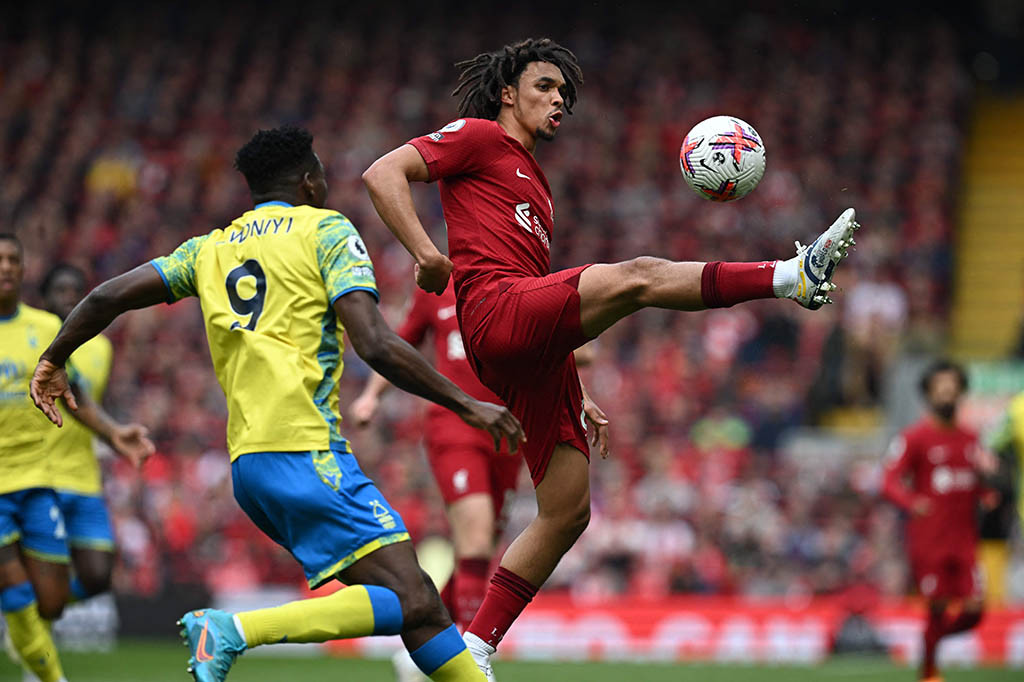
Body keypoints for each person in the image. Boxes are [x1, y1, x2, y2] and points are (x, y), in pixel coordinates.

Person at [361, 37, 859, 678]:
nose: (558, 98)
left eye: (565, 92)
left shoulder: (535, 183)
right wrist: (426, 253)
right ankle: (791, 276)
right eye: (545, 86)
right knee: (639, 277)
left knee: (568, 510)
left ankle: (476, 647)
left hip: (525, 342)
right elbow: (382, 173)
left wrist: (576, 386)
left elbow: (549, 305)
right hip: (494, 310)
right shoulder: (481, 136)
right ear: (508, 92)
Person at [29, 127, 523, 682]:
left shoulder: (209, 248)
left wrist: (54, 358)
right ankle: (236, 631)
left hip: (250, 466)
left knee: (420, 607)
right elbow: (376, 343)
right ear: (309, 180)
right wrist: (465, 404)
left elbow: (105, 297)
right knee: (411, 596)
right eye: (323, 178)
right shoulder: (326, 230)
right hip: (305, 451)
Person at [1, 235, 153, 682]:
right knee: (15, 589)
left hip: (38, 480)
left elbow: (73, 395)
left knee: (49, 599)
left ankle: (26, 633)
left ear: (24, 269)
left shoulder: (45, 329)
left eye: (13, 259)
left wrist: (114, 433)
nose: (6, 267)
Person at [882, 360, 994, 682]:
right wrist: (911, 501)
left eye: (952, 388)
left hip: (965, 539)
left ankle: (930, 643)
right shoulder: (915, 437)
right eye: (940, 389)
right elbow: (888, 481)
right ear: (928, 395)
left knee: (975, 611)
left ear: (960, 393)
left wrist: (987, 492)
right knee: (938, 606)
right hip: (929, 541)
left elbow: (976, 481)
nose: (947, 394)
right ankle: (929, 672)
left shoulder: (972, 439)